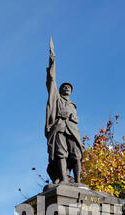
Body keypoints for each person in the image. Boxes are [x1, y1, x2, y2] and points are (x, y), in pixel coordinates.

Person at [45, 39, 83, 184]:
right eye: (64, 86)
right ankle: (63, 179)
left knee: (76, 155)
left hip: (73, 130)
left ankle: (78, 181)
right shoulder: (56, 98)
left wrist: (73, 117)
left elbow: (76, 119)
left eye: (69, 87)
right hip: (59, 128)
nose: (66, 88)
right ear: (60, 90)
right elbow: (52, 80)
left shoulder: (73, 105)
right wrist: (52, 62)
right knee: (61, 153)